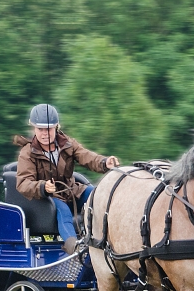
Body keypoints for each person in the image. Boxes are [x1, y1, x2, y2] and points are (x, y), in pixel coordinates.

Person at [13, 104, 119, 254]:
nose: (45, 134)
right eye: (40, 129)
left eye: (48, 129)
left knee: (99, 195)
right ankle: (74, 247)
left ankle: (115, 237)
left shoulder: (68, 144)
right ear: (33, 129)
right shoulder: (27, 153)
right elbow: (23, 183)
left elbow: (86, 156)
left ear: (56, 127)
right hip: (45, 199)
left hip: (70, 191)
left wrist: (104, 162)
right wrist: (42, 187)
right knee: (62, 210)